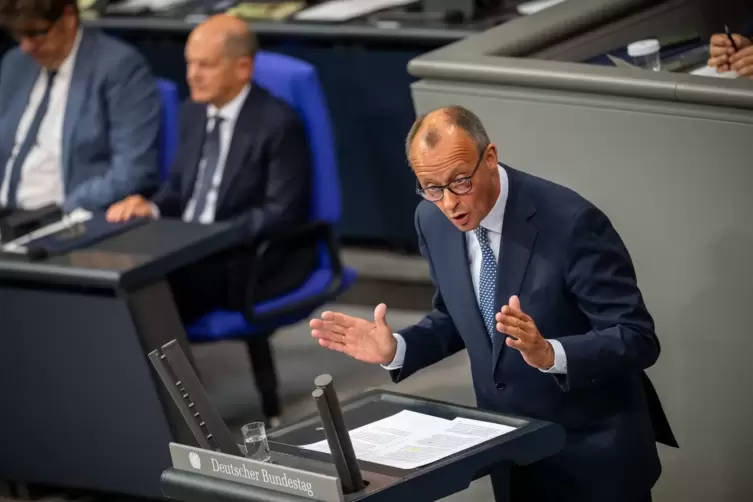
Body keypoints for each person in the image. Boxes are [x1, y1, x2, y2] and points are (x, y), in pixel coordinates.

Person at [310, 106, 676, 502]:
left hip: (593, 455)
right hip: (513, 453)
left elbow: (636, 337)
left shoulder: (571, 224)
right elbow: (457, 317)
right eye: (431, 188)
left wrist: (551, 353)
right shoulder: (431, 221)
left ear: (489, 158)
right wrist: (398, 348)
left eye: (460, 182)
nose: (449, 203)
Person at [107, 14, 315, 426]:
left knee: (145, 297)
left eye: (205, 65)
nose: (192, 75)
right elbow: (179, 191)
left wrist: (209, 237)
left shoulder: (278, 124)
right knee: (114, 276)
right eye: (189, 63)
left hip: (244, 257)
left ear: (242, 67)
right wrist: (149, 208)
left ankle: (181, 422)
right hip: (188, 247)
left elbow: (281, 213)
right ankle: (137, 415)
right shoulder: (192, 113)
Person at [0, 0, 160, 212]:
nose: (26, 47)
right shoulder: (16, 64)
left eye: (36, 33)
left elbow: (134, 170)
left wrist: (63, 211)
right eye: (18, 34)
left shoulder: (118, 67)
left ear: (68, 18)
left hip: (64, 216)